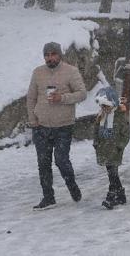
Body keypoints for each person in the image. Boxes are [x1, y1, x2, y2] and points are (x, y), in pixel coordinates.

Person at [26, 42, 87, 210]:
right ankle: (48, 197)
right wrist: (33, 120)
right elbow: (31, 98)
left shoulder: (70, 71)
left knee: (61, 160)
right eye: (47, 55)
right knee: (43, 163)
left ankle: (72, 185)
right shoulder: (38, 72)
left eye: (53, 54)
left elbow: (82, 94)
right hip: (41, 126)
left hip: (63, 125)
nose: (49, 58)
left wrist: (63, 98)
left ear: (59, 55)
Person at [92, 87, 130, 209]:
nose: (104, 109)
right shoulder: (101, 116)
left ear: (112, 104)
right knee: (112, 173)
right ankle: (121, 195)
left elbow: (125, 134)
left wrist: (120, 145)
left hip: (115, 149)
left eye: (106, 106)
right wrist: (96, 142)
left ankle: (111, 196)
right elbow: (96, 130)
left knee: (113, 173)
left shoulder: (119, 116)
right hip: (104, 148)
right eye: (102, 106)